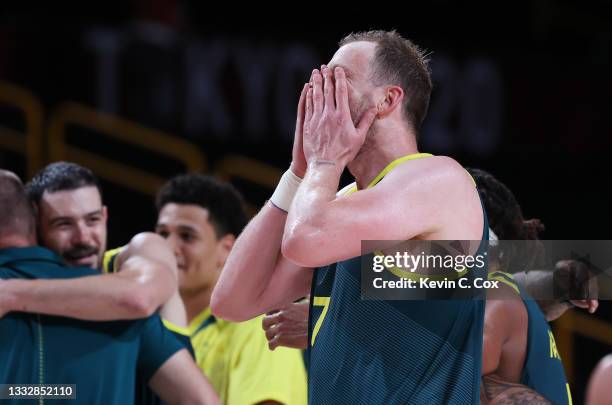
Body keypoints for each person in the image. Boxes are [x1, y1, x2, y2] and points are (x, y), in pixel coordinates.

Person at [212, 30, 488, 404]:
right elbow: (233, 302)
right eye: (321, 79)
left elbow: (306, 238)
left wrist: (324, 161)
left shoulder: (439, 179)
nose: (322, 93)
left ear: (389, 99)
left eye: (339, 80)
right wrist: (296, 174)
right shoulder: (342, 206)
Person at [0, 170, 219, 405]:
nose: (83, 238)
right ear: (35, 223)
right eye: (63, 224)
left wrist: (11, 293)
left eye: (92, 219)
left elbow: (138, 297)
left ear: (105, 216)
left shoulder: (134, 263)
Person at [154, 173, 308, 405]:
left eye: (187, 236)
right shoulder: (149, 323)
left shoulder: (261, 330)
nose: (168, 247)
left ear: (227, 249)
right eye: (163, 234)